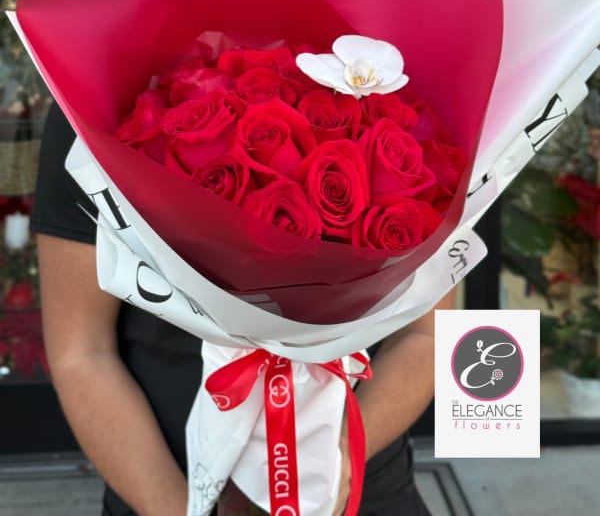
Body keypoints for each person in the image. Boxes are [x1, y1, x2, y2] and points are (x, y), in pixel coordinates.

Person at [32, 102, 454, 516]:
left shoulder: (393, 97)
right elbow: (82, 351)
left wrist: (342, 457)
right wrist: (175, 509)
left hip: (361, 488)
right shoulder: (91, 104)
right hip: (162, 487)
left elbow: (425, 334)